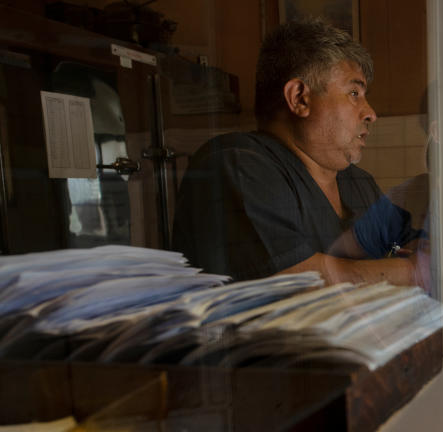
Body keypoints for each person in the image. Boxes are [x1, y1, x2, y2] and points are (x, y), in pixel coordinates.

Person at [172, 19, 426, 287]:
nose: (370, 113)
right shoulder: (235, 165)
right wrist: (412, 271)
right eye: (354, 93)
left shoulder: (357, 182)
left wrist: (422, 253)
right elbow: (299, 284)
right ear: (299, 98)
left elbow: (414, 241)